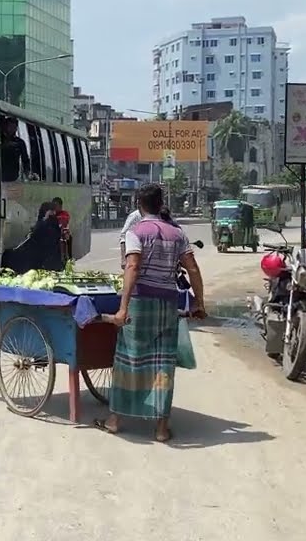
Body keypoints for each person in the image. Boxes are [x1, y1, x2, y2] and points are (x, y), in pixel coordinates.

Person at [95, 183, 205, 443]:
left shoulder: (136, 232)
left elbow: (132, 266)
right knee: (163, 364)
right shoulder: (177, 234)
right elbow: (193, 269)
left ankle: (114, 421)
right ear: (161, 203)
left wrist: (122, 309)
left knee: (128, 361)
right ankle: (161, 429)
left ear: (139, 205)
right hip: (167, 305)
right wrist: (199, 303)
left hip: (141, 303)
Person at [0, 116, 31, 182]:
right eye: (10, 127)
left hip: (13, 177)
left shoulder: (20, 143)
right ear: (6, 127)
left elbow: (25, 160)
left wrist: (27, 173)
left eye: (14, 127)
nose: (12, 129)